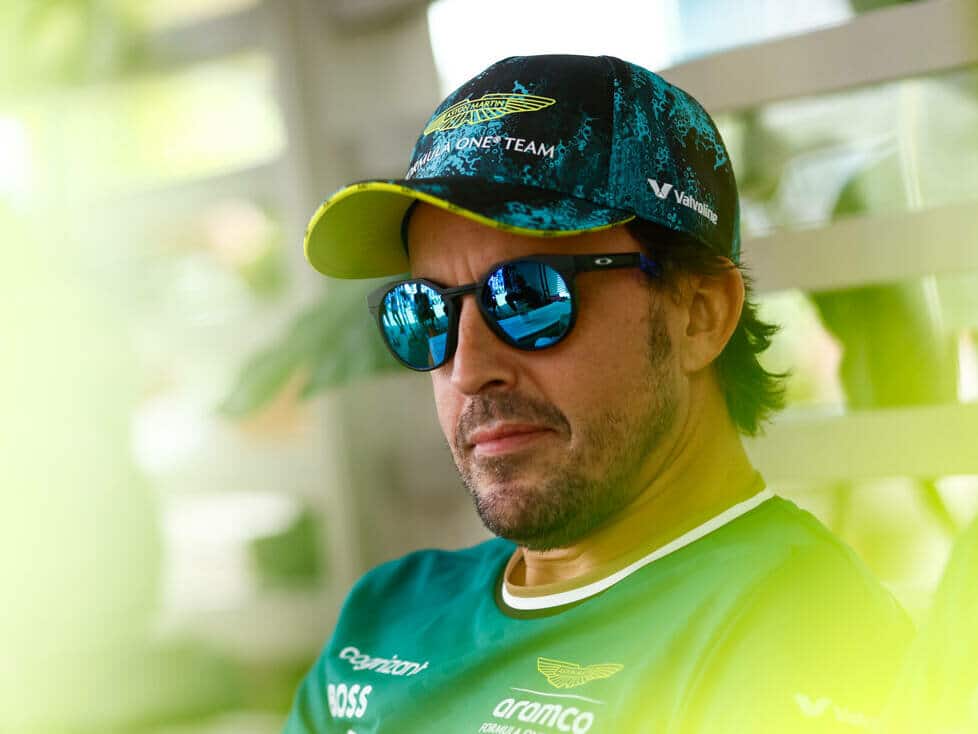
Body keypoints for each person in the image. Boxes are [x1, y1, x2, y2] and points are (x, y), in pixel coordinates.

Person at [285, 54, 912, 733]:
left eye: (528, 295)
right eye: (427, 311)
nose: (468, 370)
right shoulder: (386, 614)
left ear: (699, 315)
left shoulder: (805, 634)